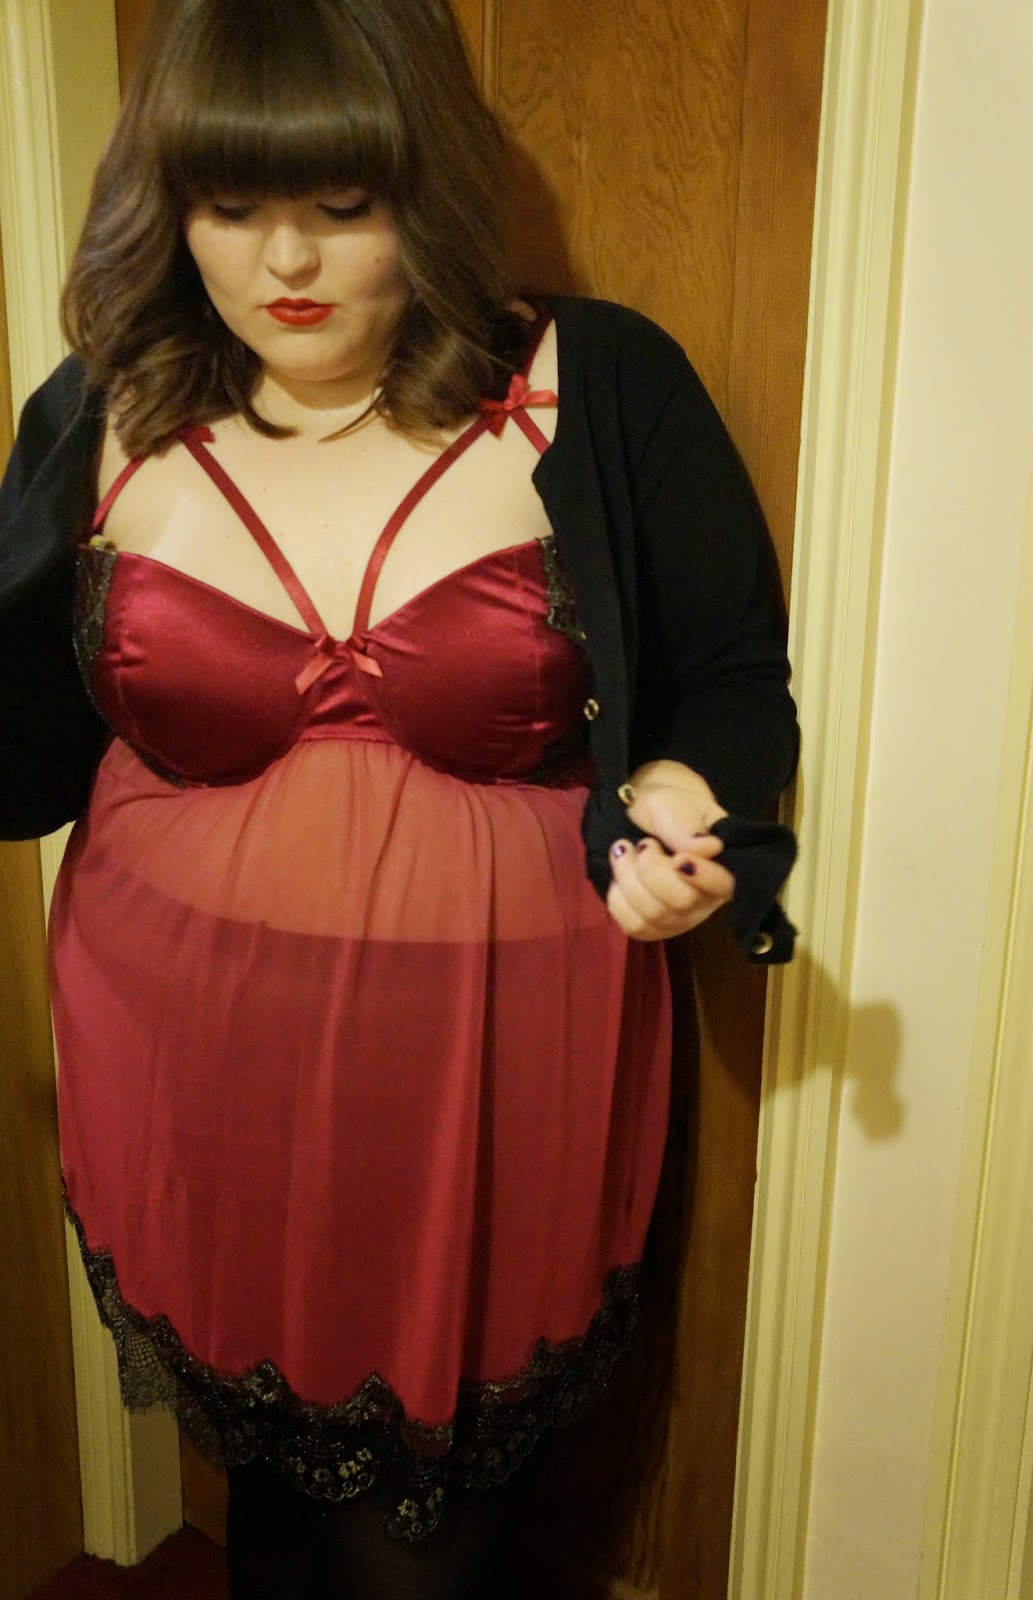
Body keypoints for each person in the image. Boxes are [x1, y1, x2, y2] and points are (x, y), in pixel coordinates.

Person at [0, 0, 800, 1594]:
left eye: (342, 203)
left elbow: (729, 674)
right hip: (189, 1057)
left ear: (423, 189)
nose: (285, 260)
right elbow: (23, 750)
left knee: (428, 1543)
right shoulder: (100, 410)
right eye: (231, 205)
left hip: (494, 1076)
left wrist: (675, 796)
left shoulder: (598, 381)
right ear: (171, 204)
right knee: (272, 1504)